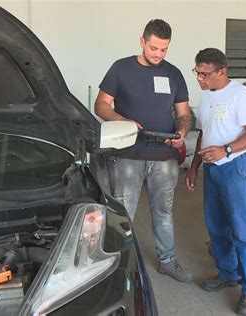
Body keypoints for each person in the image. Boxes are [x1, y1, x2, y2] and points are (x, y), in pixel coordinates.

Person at [94, 19, 193, 283]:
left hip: (164, 156)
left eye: (164, 50)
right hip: (128, 155)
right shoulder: (121, 68)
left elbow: (184, 113)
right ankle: (118, 265)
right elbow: (101, 104)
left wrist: (182, 132)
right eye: (153, 48)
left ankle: (167, 261)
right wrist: (121, 120)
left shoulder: (174, 74)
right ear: (142, 42)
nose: (158, 54)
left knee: (164, 211)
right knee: (123, 212)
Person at [185, 48, 246, 315]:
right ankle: (228, 273)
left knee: (242, 230)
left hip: (235, 168)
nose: (200, 79)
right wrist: (194, 166)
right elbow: (203, 134)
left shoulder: (242, 95)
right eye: (197, 73)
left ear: (222, 71)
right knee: (216, 225)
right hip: (212, 169)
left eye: (205, 74)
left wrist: (226, 150)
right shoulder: (205, 97)